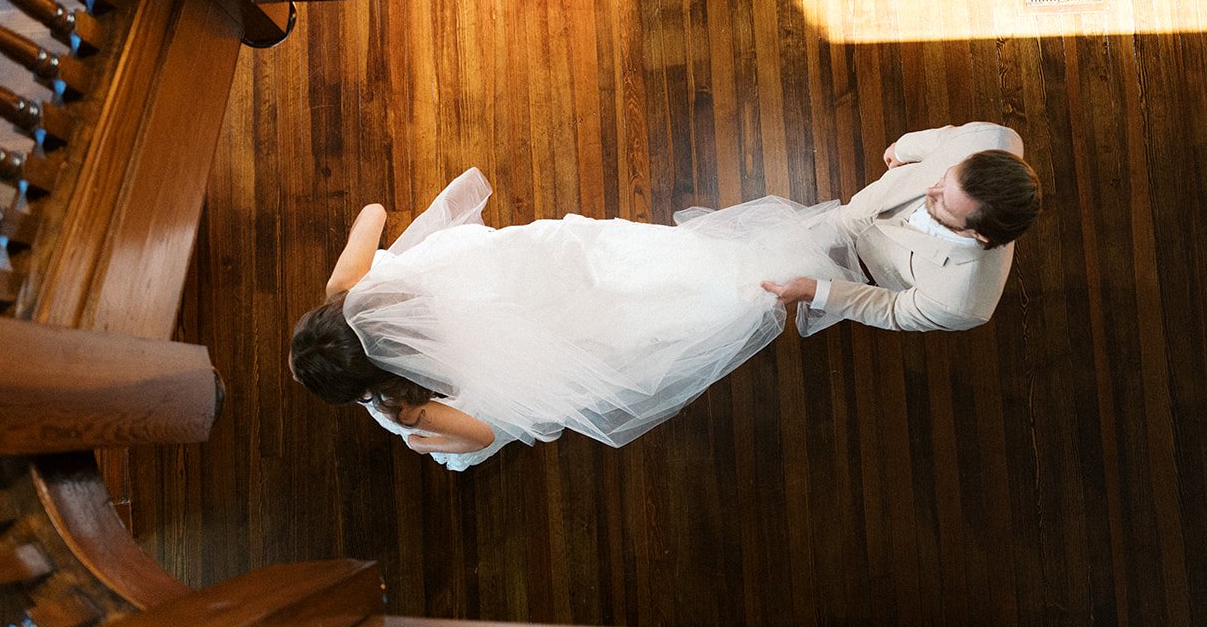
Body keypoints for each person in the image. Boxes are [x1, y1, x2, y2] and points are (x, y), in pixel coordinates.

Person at [289, 169, 864, 469]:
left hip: (543, 333)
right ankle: (783, 258)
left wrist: (420, 443)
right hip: (521, 274)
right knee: (624, 267)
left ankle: (772, 285)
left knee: (638, 321)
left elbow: (481, 435)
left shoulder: (407, 403)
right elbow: (373, 212)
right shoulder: (349, 286)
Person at [764, 122, 1040, 333]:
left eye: (944, 202)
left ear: (978, 234)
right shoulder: (992, 139)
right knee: (817, 230)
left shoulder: (960, 303)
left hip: (879, 262)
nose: (929, 190)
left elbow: (894, 310)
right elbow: (946, 138)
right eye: (944, 178)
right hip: (871, 204)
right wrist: (901, 149)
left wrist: (814, 292)